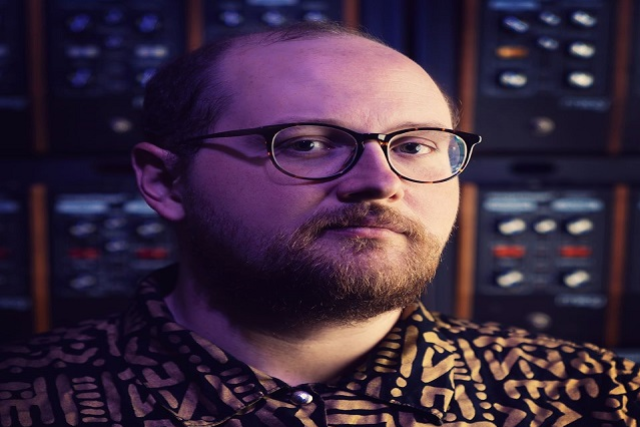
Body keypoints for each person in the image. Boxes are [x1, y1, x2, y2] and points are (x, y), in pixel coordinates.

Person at [1, 21, 639, 426]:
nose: (380, 181)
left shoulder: (600, 398)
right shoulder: (19, 398)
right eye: (307, 143)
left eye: (414, 145)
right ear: (165, 182)